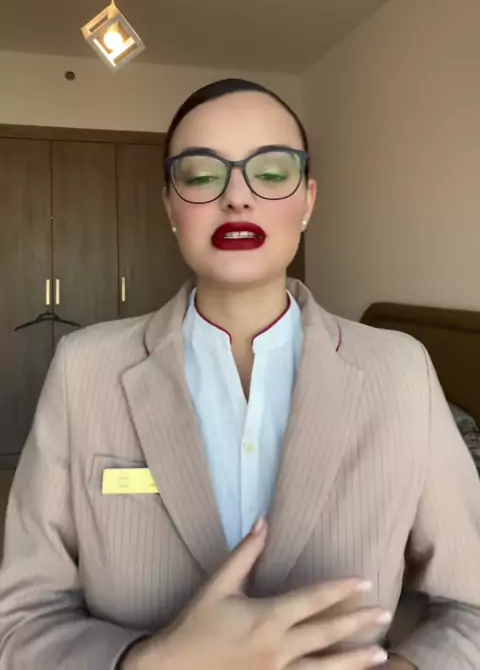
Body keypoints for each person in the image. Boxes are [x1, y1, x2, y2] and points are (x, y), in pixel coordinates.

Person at [0, 79, 479, 670]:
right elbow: (20, 620)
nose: (237, 197)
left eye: (271, 172)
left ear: (308, 200)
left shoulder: (401, 371)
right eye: (201, 175)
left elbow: (471, 605)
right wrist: (155, 661)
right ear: (170, 206)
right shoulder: (84, 369)